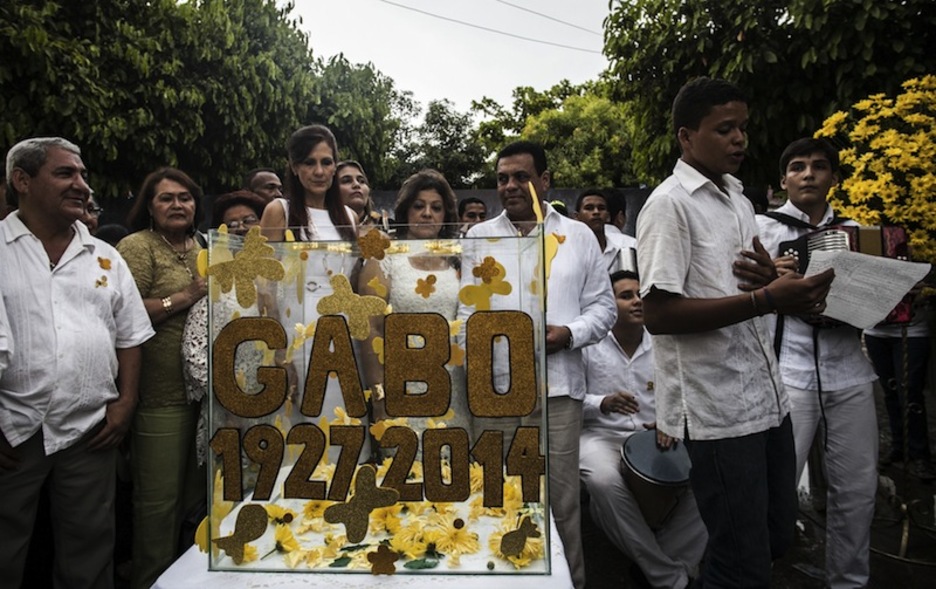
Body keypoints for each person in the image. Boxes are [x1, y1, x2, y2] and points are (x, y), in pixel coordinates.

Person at [636, 77, 835, 588]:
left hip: (768, 399)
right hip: (717, 411)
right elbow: (658, 313)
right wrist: (766, 298)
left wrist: (775, 282)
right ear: (686, 137)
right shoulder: (669, 205)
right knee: (740, 557)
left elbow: (748, 281)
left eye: (742, 127)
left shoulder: (738, 199)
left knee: (774, 537)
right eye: (724, 129)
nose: (739, 139)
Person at [460, 141, 616, 589]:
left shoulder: (579, 235)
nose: (510, 186)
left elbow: (604, 309)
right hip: (499, 390)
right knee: (501, 497)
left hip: (559, 388)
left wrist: (568, 334)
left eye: (521, 177)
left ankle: (573, 583)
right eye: (503, 178)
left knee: (562, 502)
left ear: (544, 181)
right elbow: (469, 312)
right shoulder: (479, 237)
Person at [0, 137, 154, 588]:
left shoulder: (104, 256)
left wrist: (125, 403)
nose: (82, 185)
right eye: (65, 173)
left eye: (82, 174)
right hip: (12, 431)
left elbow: (130, 336)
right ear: (22, 181)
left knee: (89, 549)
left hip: (90, 431)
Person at [756, 137, 880, 588]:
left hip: (850, 369)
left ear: (833, 178)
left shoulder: (858, 230)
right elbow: (739, 293)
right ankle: (758, 573)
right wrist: (773, 279)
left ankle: (849, 580)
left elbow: (876, 303)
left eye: (819, 166)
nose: (808, 174)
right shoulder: (761, 229)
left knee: (858, 487)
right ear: (783, 179)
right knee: (776, 487)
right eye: (798, 167)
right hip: (787, 372)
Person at [579, 271, 706, 589]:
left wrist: (670, 418)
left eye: (640, 295)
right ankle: (671, 577)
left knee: (709, 477)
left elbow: (688, 393)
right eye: (626, 296)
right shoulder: (588, 344)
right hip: (601, 436)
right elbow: (567, 401)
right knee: (602, 479)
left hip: (657, 437)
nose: (637, 301)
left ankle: (657, 564)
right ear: (609, 303)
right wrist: (602, 403)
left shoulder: (666, 341)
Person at [117, 167, 208, 589]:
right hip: (158, 395)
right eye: (166, 198)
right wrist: (185, 296)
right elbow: (122, 312)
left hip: (204, 398)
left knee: (194, 505)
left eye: (184, 197)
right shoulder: (137, 247)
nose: (177, 205)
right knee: (157, 508)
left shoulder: (204, 245)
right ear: (149, 207)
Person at [358, 170, 468, 443]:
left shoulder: (458, 261)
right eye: (419, 206)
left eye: (436, 207)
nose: (427, 213)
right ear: (406, 211)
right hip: (400, 388)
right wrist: (380, 397)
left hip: (452, 387)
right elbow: (370, 329)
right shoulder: (384, 258)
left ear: (445, 216)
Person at [259, 124, 356, 242]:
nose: (319, 172)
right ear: (295, 168)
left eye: (326, 162)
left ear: (335, 167)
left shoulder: (350, 217)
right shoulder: (279, 211)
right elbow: (265, 260)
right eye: (309, 163)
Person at [574, 188, 637, 272]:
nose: (596, 212)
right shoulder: (569, 252)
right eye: (589, 208)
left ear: (608, 216)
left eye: (601, 208)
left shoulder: (627, 248)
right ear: (576, 217)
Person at [336, 160, 379, 228]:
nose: (356, 184)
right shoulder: (319, 228)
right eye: (346, 181)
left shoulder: (384, 226)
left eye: (362, 181)